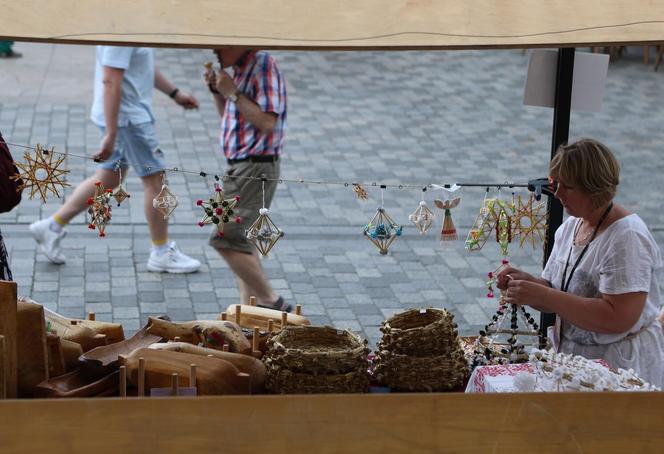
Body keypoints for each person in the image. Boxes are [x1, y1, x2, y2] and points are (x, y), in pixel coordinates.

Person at [497, 138, 664, 387]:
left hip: (620, 368)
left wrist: (543, 296)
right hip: (577, 361)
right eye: (556, 183)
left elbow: (618, 317)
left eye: (568, 187)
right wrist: (527, 285)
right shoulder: (572, 226)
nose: (558, 193)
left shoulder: (627, 238)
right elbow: (557, 289)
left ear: (594, 188)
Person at [30, 46, 201, 274]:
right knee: (156, 183)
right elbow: (110, 79)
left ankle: (51, 226)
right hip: (128, 121)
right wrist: (112, 133)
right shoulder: (121, 29)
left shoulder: (131, 23)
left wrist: (174, 93)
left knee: (108, 177)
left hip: (125, 118)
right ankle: (161, 253)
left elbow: (143, 65)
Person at [203, 48, 291, 311]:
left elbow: (266, 121)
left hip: (254, 166)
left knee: (225, 238)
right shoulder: (240, 69)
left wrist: (233, 92)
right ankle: (248, 311)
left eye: (220, 45)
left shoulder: (262, 65)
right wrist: (220, 93)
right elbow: (232, 119)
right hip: (242, 166)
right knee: (242, 240)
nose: (215, 51)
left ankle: (271, 302)